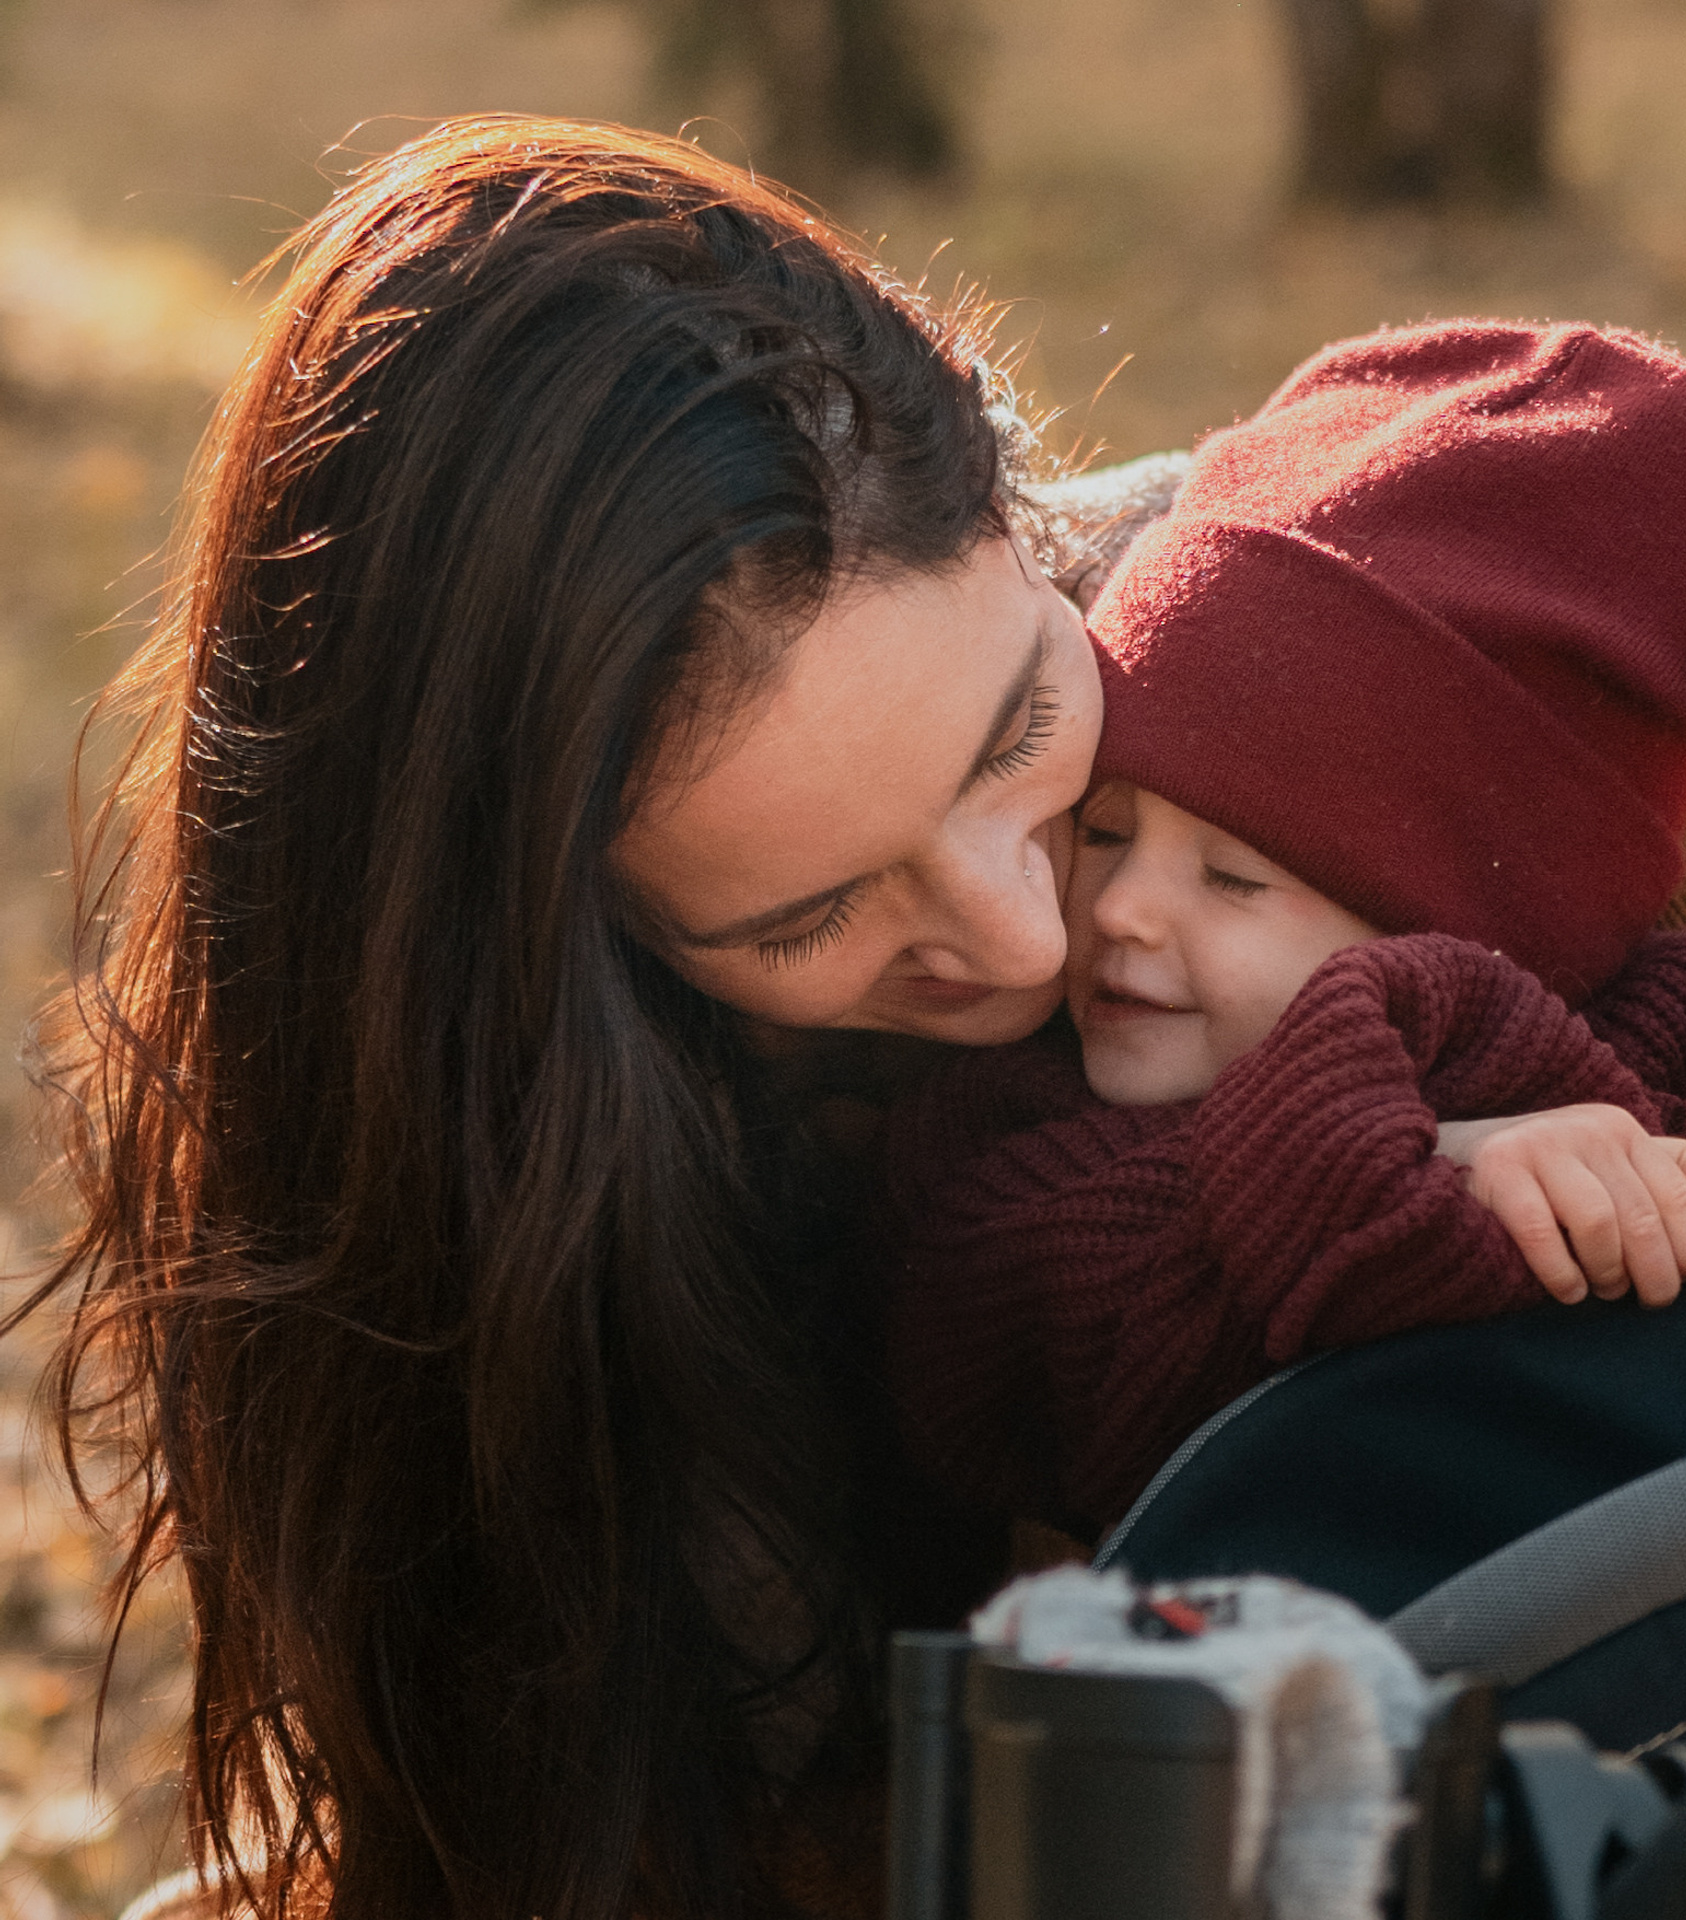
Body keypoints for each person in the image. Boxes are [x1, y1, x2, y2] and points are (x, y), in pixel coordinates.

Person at [26, 116, 1113, 1920]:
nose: (1017, 934)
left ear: (1016, 513)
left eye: (1021, 736)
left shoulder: (1448, 692)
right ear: (552, 960)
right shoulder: (529, 1245)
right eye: (816, 915)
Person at [884, 322, 1686, 1536]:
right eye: (1102, 834)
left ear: (1489, 938)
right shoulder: (1033, 1144)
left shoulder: (1677, 1030)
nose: (1119, 910)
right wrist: (1425, 1173)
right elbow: (1056, 1341)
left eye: (1233, 879)